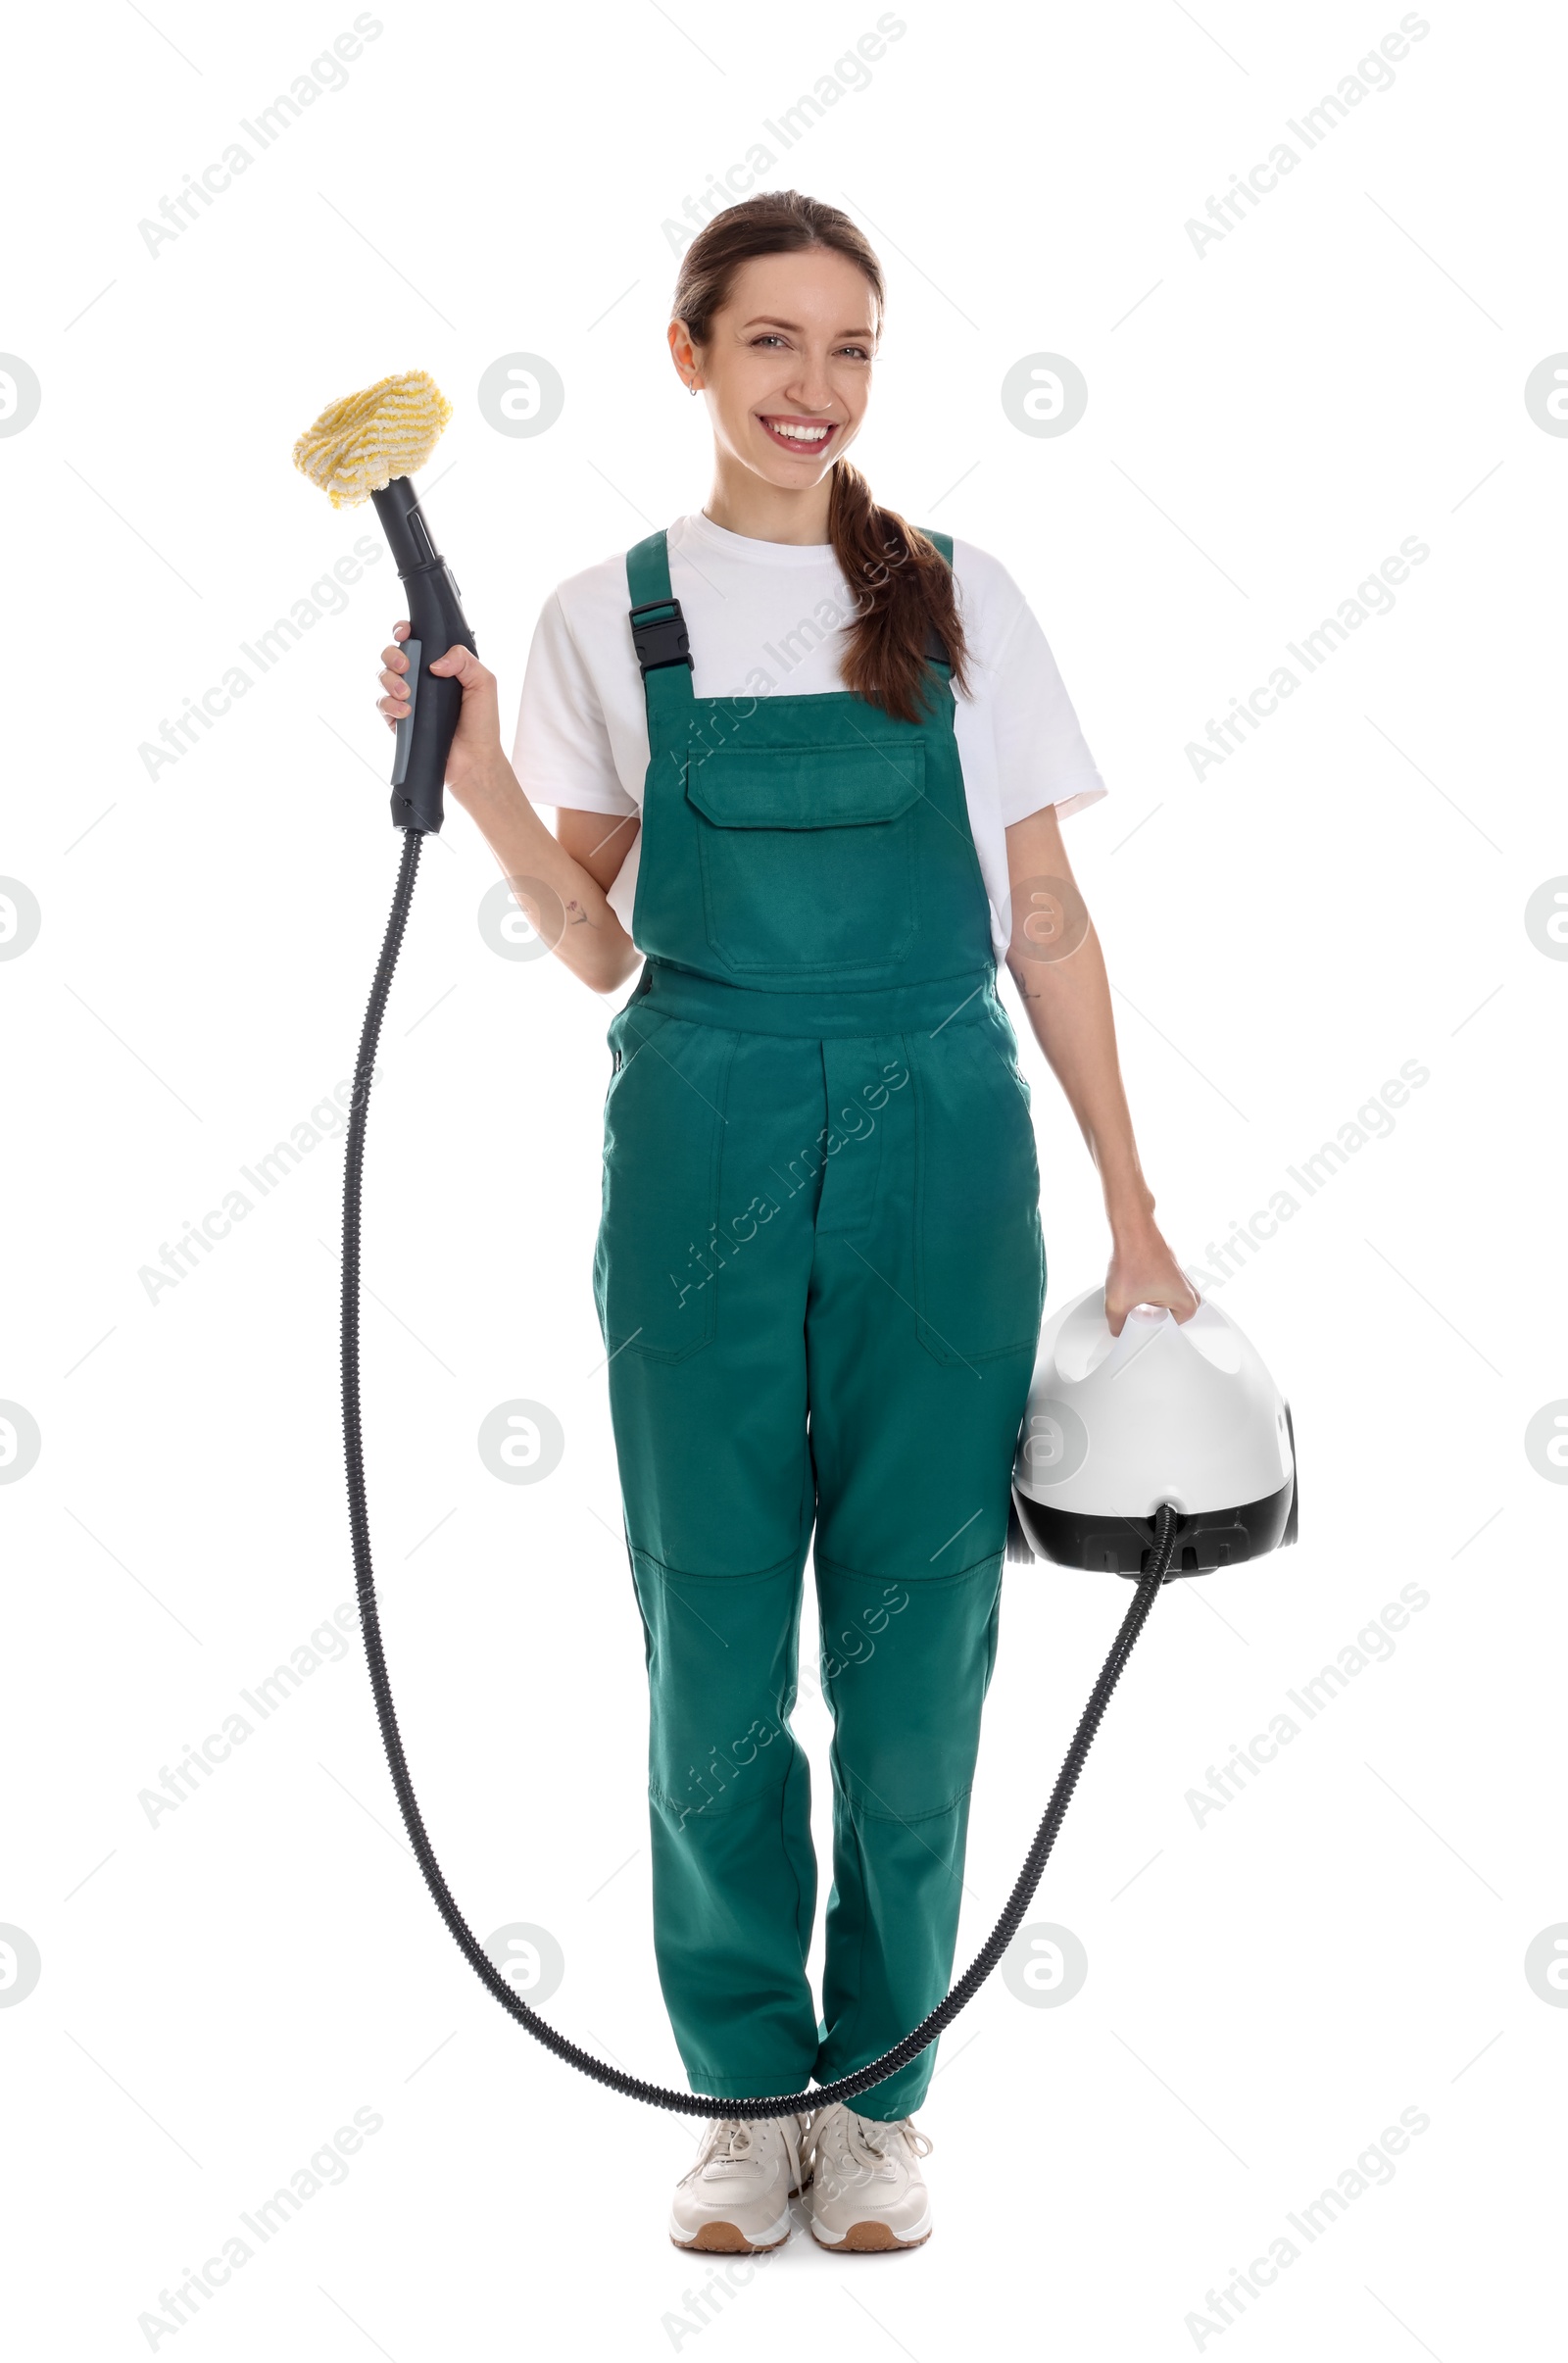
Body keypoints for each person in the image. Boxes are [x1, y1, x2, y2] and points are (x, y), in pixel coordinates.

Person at [374, 190, 1196, 2255]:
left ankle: (880, 2097)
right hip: (702, 1146)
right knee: (711, 1637)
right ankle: (747, 2099)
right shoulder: (604, 613)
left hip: (941, 1158)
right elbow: (586, 943)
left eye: (846, 351)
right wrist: (470, 769)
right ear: (688, 357)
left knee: (921, 1650)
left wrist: (1135, 1211)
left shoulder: (956, 594)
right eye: (769, 345)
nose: (810, 389)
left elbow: (1043, 915)